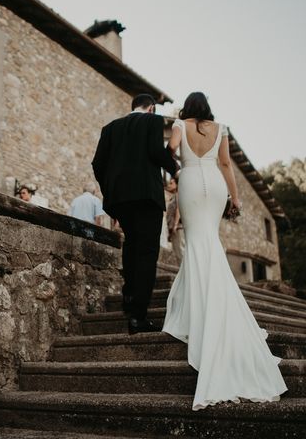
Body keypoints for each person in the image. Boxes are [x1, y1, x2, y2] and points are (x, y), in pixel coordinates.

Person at [161, 92, 287, 411]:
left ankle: (198, 308)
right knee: (210, 242)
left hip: (189, 181)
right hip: (215, 186)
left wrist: (174, 174)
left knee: (197, 244)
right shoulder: (221, 129)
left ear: (188, 108)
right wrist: (235, 198)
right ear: (208, 108)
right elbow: (225, 163)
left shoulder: (179, 124)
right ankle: (215, 300)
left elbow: (170, 151)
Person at [92, 94, 179, 334]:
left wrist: (110, 191)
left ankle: (128, 299)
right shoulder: (153, 122)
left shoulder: (110, 128)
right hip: (146, 197)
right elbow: (155, 151)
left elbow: (98, 164)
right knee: (147, 252)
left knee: (131, 245)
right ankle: (138, 316)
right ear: (151, 108)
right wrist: (175, 169)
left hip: (119, 200)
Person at [165, 176, 184, 266]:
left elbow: (178, 210)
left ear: (177, 185)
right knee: (177, 252)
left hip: (178, 227)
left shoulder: (178, 195)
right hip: (173, 227)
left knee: (180, 252)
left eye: (171, 183)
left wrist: (175, 225)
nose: (169, 185)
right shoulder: (174, 196)